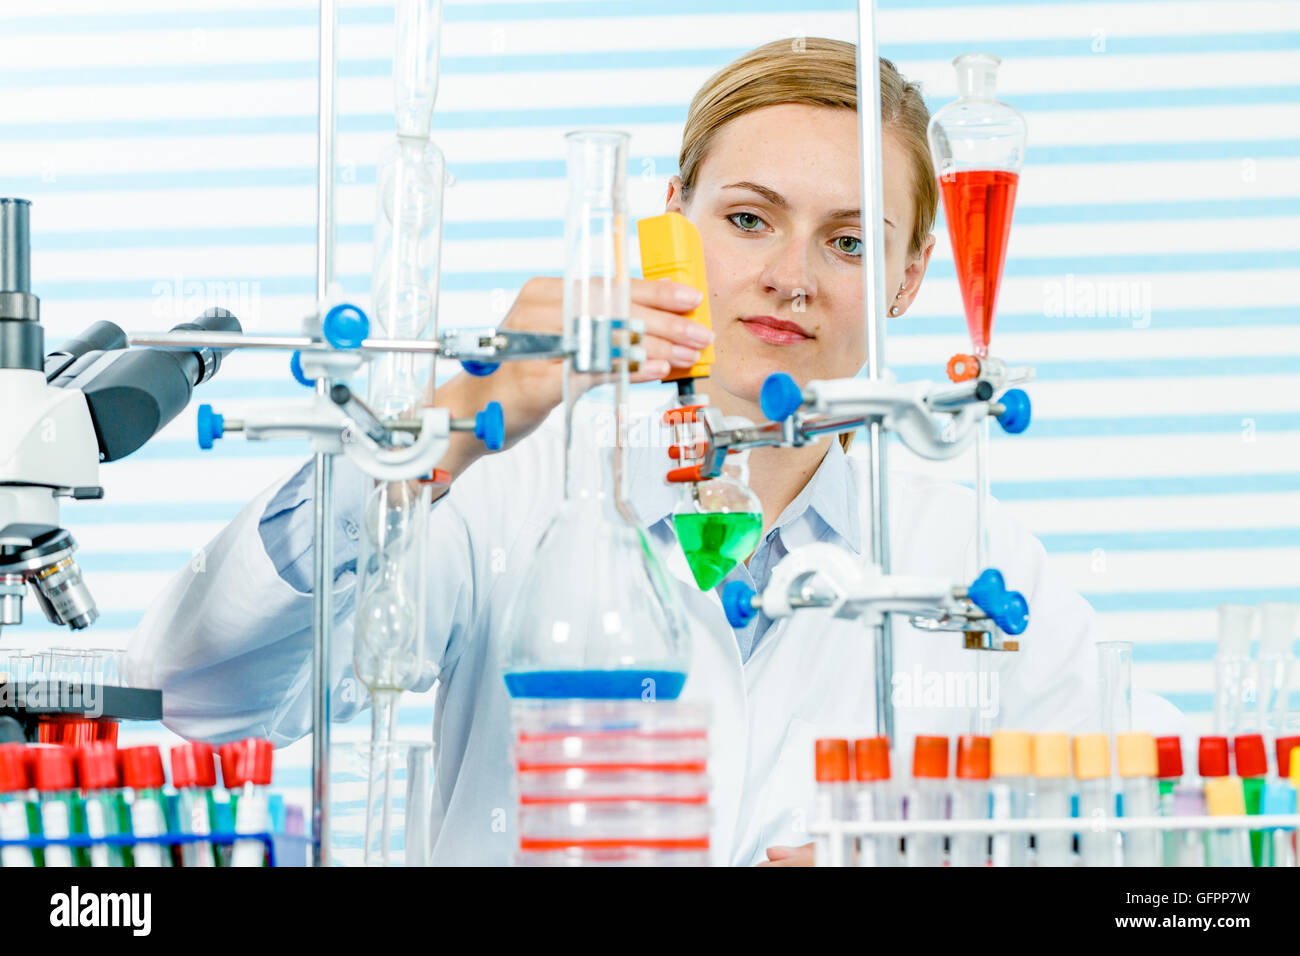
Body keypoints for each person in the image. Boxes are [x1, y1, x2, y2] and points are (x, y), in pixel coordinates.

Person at [127, 38, 1176, 866]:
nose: (790, 276)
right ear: (669, 217)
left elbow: (1181, 820)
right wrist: (453, 417)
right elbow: (202, 694)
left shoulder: (971, 555)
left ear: (910, 277)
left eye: (850, 240)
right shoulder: (513, 487)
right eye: (749, 218)